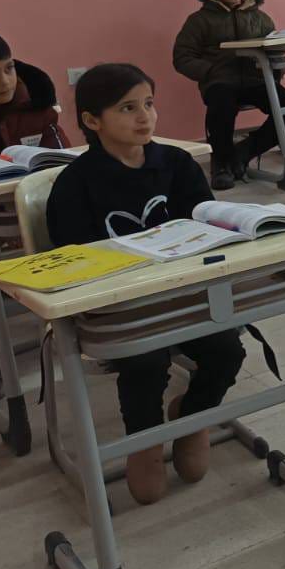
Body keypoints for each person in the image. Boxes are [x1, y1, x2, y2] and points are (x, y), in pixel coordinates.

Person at [46, 64, 245, 506]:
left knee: (228, 349)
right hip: (122, 305)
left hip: (184, 294)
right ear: (92, 122)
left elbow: (206, 224)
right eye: (128, 108)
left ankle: (192, 418)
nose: (145, 117)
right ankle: (145, 440)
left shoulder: (175, 164)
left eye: (149, 105)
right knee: (145, 361)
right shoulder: (76, 182)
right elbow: (72, 257)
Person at [0, 29, 70, 395]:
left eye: (9, 68)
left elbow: (61, 158)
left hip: (31, 205)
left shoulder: (36, 100)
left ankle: (86, 318)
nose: (5, 81)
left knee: (83, 218)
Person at [172, 0, 285, 191]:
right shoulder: (199, 21)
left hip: (256, 80)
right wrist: (210, 71)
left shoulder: (260, 17)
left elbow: (277, 48)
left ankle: (244, 152)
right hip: (220, 81)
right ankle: (220, 163)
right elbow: (182, 57)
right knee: (221, 106)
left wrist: (273, 73)